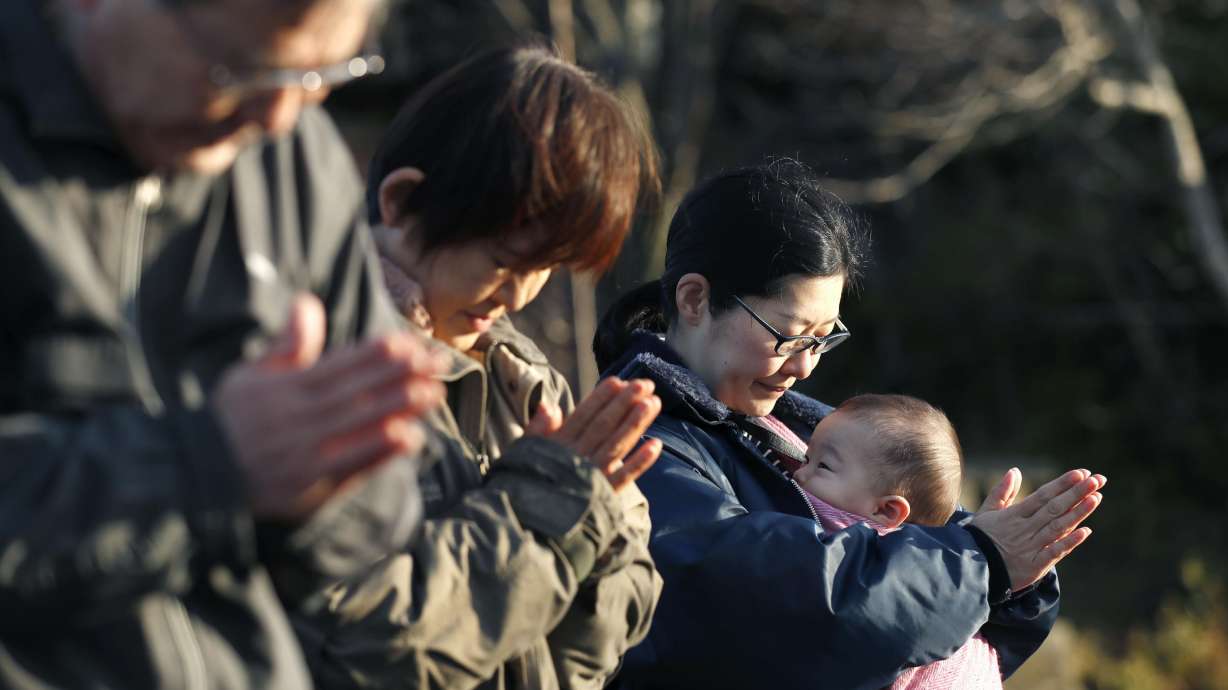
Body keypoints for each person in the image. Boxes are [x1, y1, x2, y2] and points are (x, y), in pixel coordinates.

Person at [1, 0, 445, 686]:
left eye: (323, 73)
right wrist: (204, 468)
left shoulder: (295, 160)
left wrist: (317, 479)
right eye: (237, 71)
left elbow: (384, 512)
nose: (276, 118)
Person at [594, 158, 1106, 690]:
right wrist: (982, 563)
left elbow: (932, 569)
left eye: (823, 337)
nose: (805, 365)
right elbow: (779, 604)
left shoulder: (798, 423)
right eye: (790, 336)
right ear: (695, 299)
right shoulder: (634, 447)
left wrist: (1014, 573)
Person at [292, 44, 665, 690]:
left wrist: (602, 528)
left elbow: (579, 663)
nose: (522, 295)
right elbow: (371, 645)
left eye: (547, 265)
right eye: (506, 258)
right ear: (402, 202)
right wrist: (548, 509)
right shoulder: (318, 363)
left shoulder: (523, 377)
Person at [793, 393, 1003, 689]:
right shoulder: (934, 564)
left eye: (823, 466)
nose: (798, 473)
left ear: (886, 510)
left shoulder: (850, 542)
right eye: (806, 458)